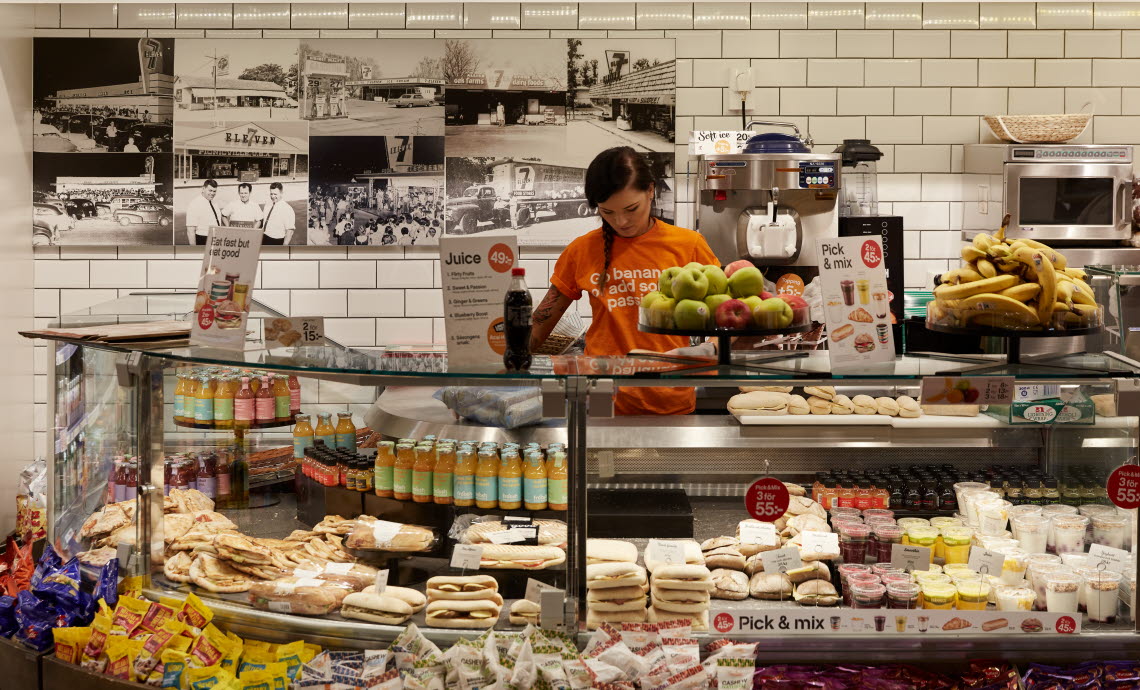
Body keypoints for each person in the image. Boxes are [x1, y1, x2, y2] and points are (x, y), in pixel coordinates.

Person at [530, 146, 719, 416]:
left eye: (631, 209)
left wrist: (709, 348)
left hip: (668, 398)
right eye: (608, 212)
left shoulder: (688, 245)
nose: (621, 221)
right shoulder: (581, 250)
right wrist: (498, 365)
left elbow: (726, 318)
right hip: (599, 398)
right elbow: (541, 321)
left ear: (650, 191)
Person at [185, 179, 221, 245]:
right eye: (210, 190)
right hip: (203, 239)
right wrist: (194, 250)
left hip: (216, 238)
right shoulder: (195, 204)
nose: (212, 193)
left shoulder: (214, 202)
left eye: (214, 191)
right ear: (203, 188)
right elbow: (190, 230)